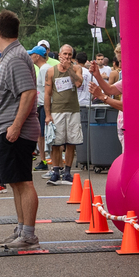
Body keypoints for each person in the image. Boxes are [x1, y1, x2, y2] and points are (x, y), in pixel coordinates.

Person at [0, 10, 41, 249]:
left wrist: (16, 126)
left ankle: (28, 234)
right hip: (7, 130)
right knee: (17, 182)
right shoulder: (11, 56)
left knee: (23, 182)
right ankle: (21, 229)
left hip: (14, 131)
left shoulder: (16, 57)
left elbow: (28, 92)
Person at [44, 44, 84, 184]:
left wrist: (69, 69)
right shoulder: (50, 71)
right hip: (57, 111)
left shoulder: (76, 68)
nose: (67, 57)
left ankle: (67, 172)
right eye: (65, 54)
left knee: (71, 143)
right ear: (60, 55)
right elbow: (47, 94)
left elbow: (79, 83)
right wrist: (48, 115)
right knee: (56, 143)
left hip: (73, 110)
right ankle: (55, 171)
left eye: (69, 55)